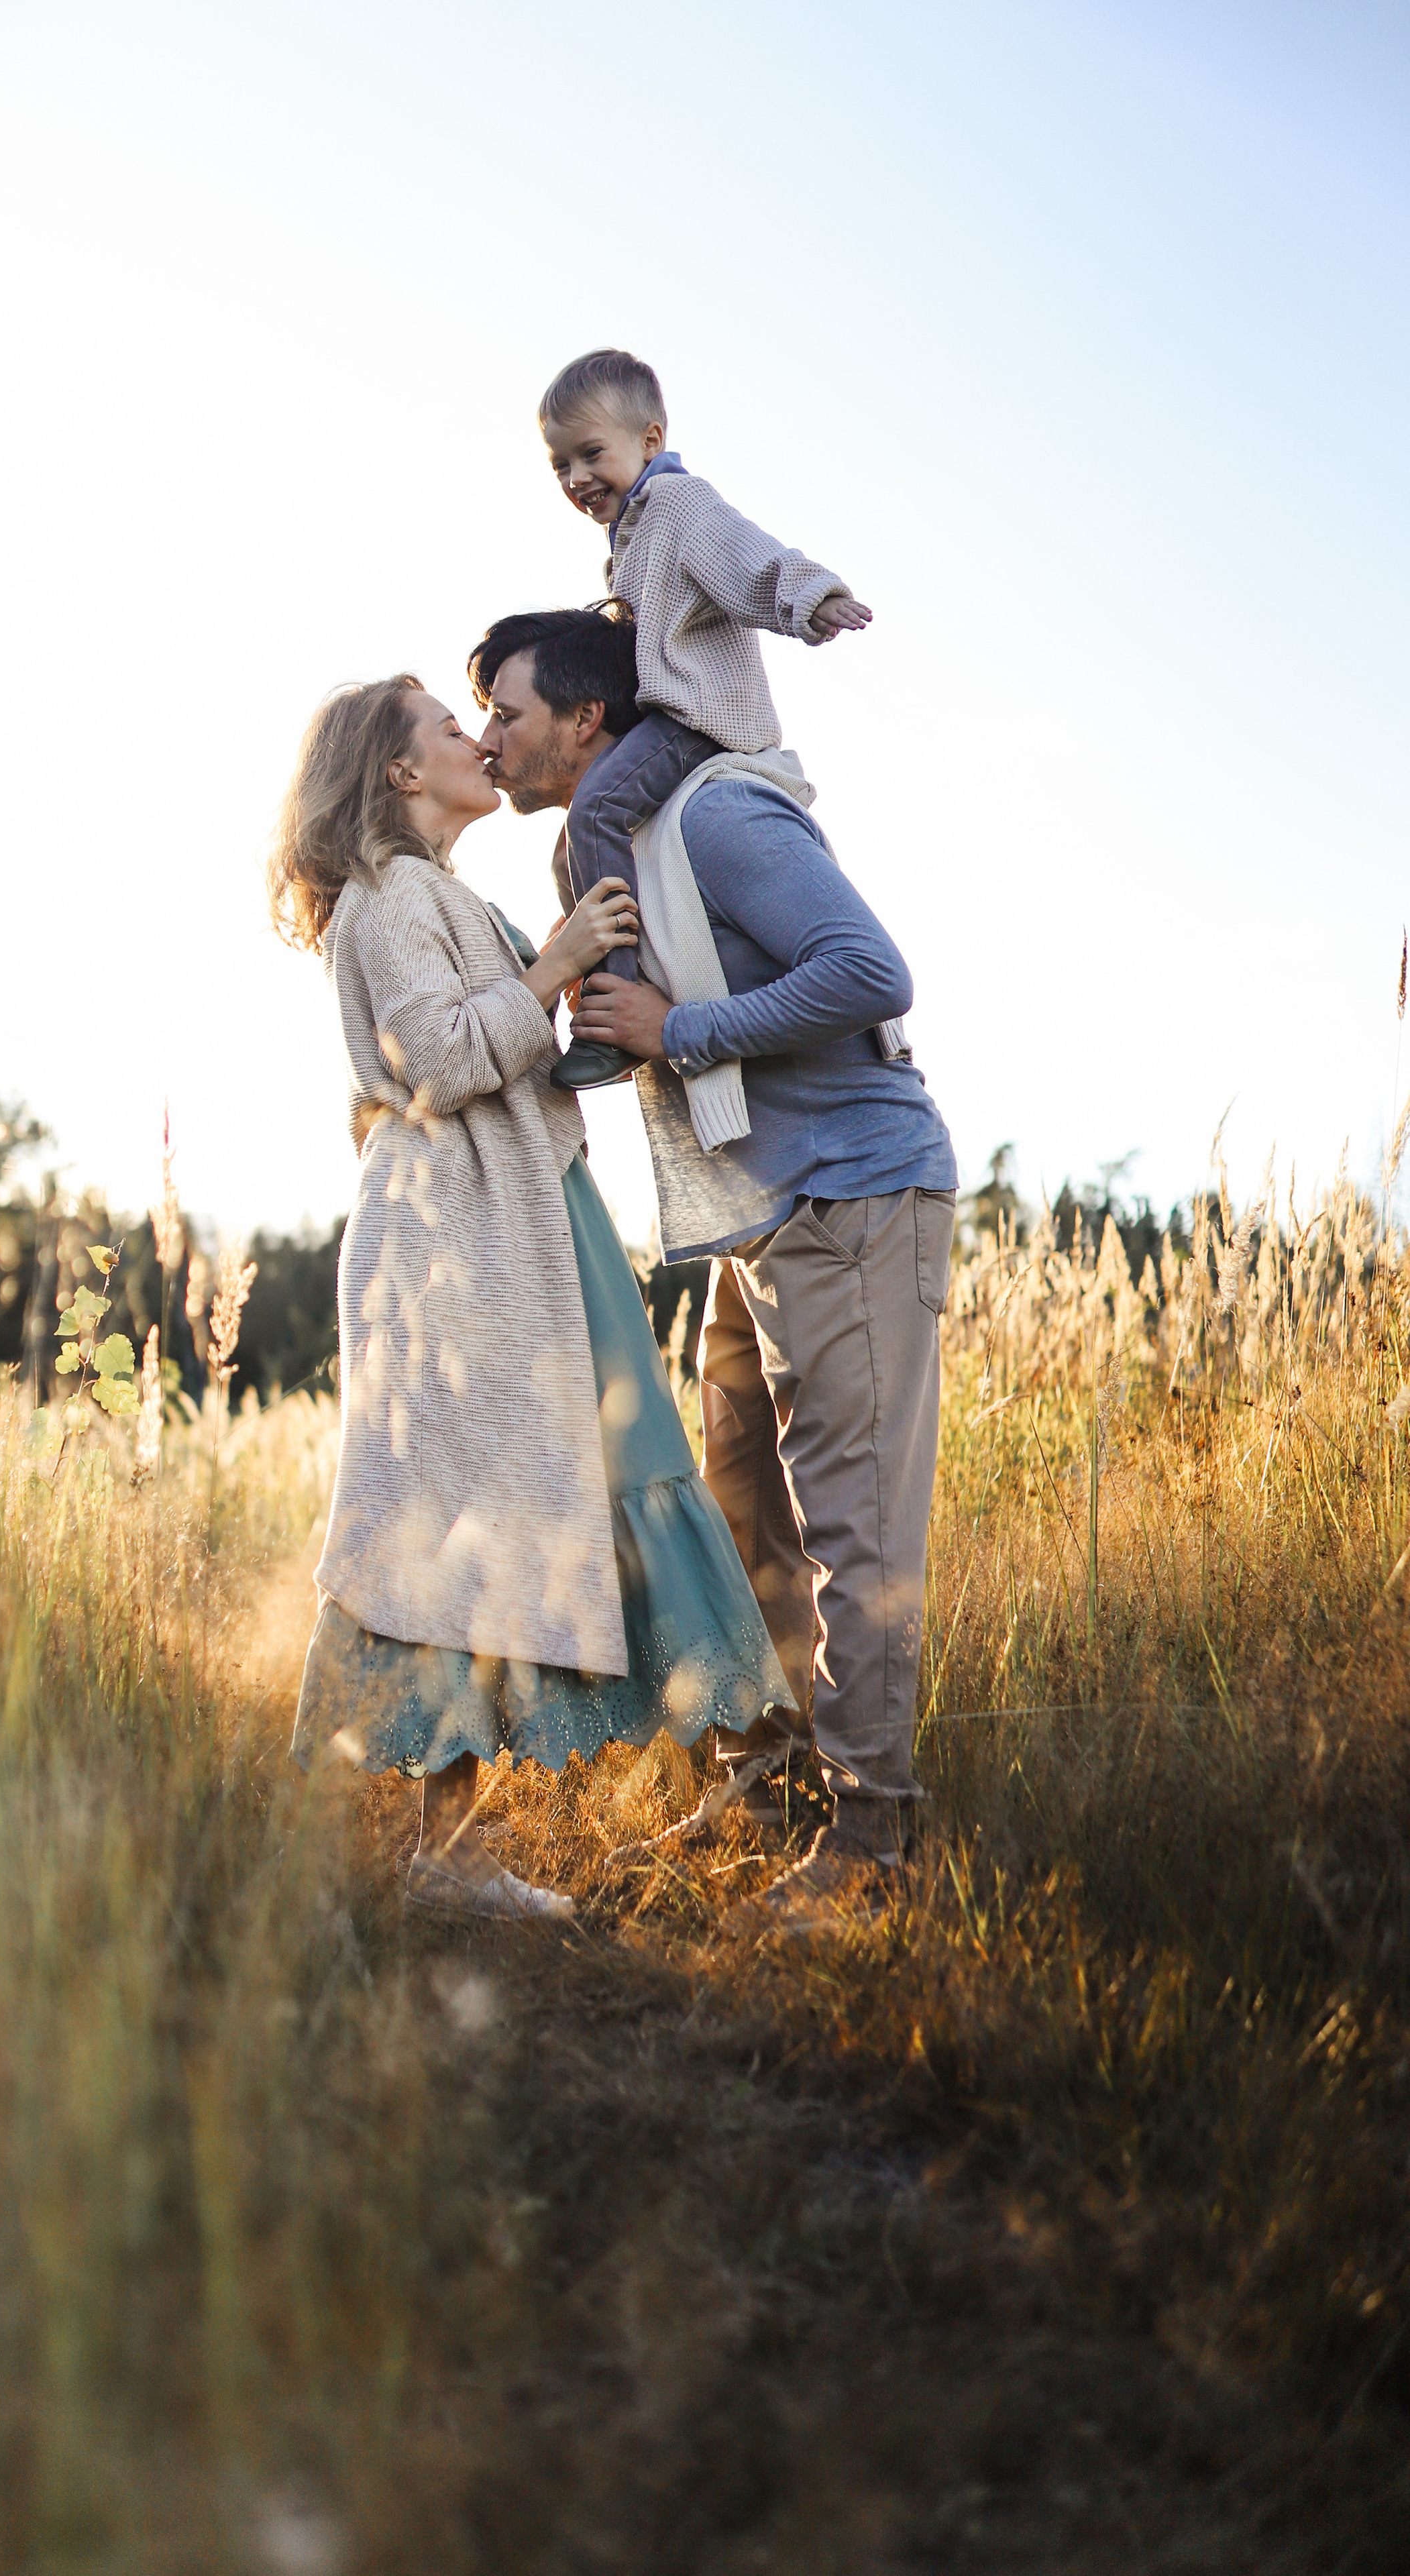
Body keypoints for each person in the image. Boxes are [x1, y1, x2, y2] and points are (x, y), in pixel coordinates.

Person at [266, 674, 794, 1919]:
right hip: (462, 1242)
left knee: (563, 1485)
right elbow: (439, 1061)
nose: (478, 740)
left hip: (522, 1223)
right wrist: (555, 961)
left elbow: (500, 1056)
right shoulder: (387, 897)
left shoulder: (439, 893)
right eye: (451, 728)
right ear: (400, 773)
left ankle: (734, 1775)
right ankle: (470, 1850)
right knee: (481, 1509)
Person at [470, 611, 957, 1913]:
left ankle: (869, 1848)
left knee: (853, 1532)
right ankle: (770, 1786)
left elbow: (869, 972)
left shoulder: (713, 819)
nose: (488, 739)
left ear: (587, 721)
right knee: (743, 1511)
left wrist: (679, 1027)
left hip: (852, 1194)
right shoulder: (602, 858)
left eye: (507, 713)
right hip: (752, 1222)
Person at [537, 345, 871, 1091]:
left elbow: (745, 555)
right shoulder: (628, 540)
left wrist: (811, 597)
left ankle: (616, 1002)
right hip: (668, 719)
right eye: (560, 465)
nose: (575, 477)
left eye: (590, 454)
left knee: (597, 810)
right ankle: (606, 978)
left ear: (650, 440)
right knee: (569, 852)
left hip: (700, 718)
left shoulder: (677, 506)